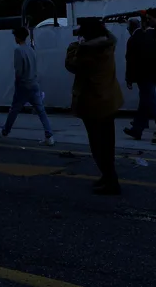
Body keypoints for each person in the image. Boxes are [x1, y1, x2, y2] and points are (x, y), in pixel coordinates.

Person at [66, 17, 124, 194]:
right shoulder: (108, 46)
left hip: (92, 102)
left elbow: (71, 65)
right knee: (108, 142)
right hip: (109, 100)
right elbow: (108, 36)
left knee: (97, 144)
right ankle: (108, 176)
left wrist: (76, 46)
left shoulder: (86, 52)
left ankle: (110, 180)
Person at [2, 26, 55, 145]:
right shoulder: (31, 49)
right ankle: (49, 135)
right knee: (41, 111)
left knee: (14, 109)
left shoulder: (18, 50)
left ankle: (5, 131)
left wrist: (16, 83)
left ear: (17, 37)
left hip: (23, 85)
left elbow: (18, 71)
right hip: (33, 83)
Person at [123, 17, 156, 144]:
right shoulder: (150, 36)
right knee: (145, 102)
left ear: (130, 28)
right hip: (154, 74)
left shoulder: (133, 40)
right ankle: (137, 129)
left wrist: (129, 78)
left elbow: (130, 61)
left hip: (143, 75)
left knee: (152, 103)